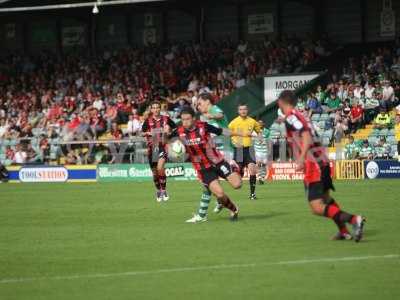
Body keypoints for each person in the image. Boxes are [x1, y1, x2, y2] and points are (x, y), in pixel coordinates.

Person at [277, 90, 366, 242]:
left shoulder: (292, 117)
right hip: (321, 161)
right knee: (326, 199)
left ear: (280, 102)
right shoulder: (297, 116)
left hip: (314, 164)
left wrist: (302, 158)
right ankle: (344, 232)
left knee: (317, 207)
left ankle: (354, 220)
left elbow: (305, 134)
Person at [171, 106, 242, 221]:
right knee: (220, 194)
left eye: (188, 119)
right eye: (183, 119)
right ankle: (234, 209)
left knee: (237, 185)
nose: (185, 122)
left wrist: (239, 133)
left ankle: (233, 167)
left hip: (218, 162)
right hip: (203, 168)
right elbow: (166, 142)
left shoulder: (203, 126)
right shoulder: (178, 132)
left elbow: (221, 131)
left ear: (194, 118)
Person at [186, 93, 230, 223]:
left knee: (208, 183)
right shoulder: (201, 117)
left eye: (200, 103)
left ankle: (203, 214)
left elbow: (220, 115)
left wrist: (211, 115)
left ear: (207, 102)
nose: (198, 106)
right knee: (208, 183)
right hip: (211, 152)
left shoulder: (213, 109)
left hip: (222, 149)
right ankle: (206, 211)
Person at [141, 101, 177, 202]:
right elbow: (142, 133)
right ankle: (158, 190)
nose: (156, 109)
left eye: (157, 107)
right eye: (154, 108)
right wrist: (148, 132)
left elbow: (175, 129)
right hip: (152, 149)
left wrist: (169, 132)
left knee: (160, 167)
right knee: (155, 173)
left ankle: (164, 190)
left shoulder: (166, 119)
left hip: (163, 146)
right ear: (151, 109)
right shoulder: (148, 121)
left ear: (160, 109)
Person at [228, 103, 261, 200]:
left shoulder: (253, 121)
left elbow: (259, 132)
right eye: (241, 109)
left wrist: (258, 136)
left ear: (248, 110)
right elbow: (227, 133)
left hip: (249, 149)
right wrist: (234, 141)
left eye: (245, 109)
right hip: (239, 150)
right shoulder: (233, 122)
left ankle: (252, 194)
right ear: (238, 111)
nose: (243, 111)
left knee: (252, 170)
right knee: (238, 175)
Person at [254, 120, 270, 184]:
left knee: (263, 164)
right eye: (258, 123)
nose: (260, 124)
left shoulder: (267, 131)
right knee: (258, 163)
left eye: (261, 123)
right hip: (257, 150)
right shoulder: (254, 131)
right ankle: (259, 177)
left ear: (263, 124)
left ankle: (262, 177)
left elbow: (270, 141)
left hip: (265, 151)